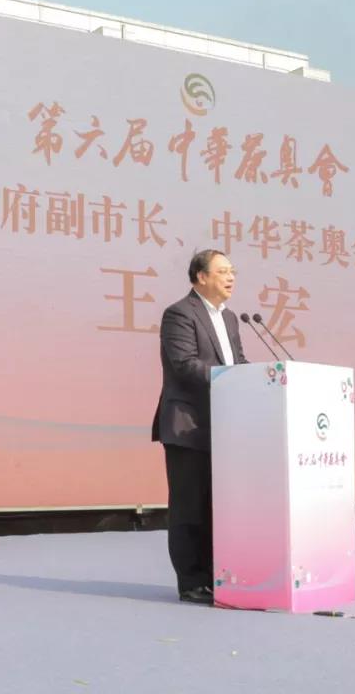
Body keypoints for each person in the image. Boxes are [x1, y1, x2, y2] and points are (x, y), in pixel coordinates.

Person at [151, 249, 248, 604]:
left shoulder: (231, 318)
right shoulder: (179, 313)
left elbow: (239, 361)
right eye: (223, 271)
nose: (231, 277)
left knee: (217, 507)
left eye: (232, 271)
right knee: (189, 506)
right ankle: (192, 581)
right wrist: (232, 379)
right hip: (188, 425)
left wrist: (260, 379)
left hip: (223, 425)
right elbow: (184, 365)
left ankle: (215, 576)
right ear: (201, 277)